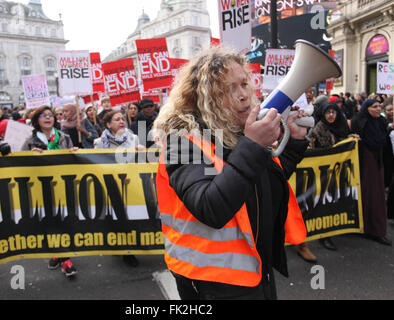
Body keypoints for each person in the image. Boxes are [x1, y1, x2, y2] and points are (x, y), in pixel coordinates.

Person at [153, 46, 309, 300]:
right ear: (203, 98)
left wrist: (292, 146)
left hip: (255, 269)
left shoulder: (237, 132)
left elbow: (262, 183)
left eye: (244, 84)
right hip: (210, 281)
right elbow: (211, 207)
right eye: (228, 89)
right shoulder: (181, 142)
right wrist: (253, 146)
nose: (243, 96)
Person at [21, 105, 78, 277]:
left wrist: (74, 152)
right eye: (43, 115)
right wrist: (29, 156)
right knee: (49, 220)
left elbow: (73, 161)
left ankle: (65, 258)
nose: (48, 118)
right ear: (36, 121)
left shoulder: (65, 138)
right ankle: (57, 251)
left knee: (64, 219)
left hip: (62, 186)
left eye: (50, 115)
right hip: (41, 188)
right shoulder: (29, 141)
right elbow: (20, 165)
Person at [93, 110, 142, 267]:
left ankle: (129, 252)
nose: (121, 121)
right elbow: (94, 164)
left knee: (130, 218)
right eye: (116, 119)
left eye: (122, 119)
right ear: (108, 124)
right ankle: (117, 244)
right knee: (115, 217)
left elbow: (141, 164)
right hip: (110, 185)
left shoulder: (134, 139)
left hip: (130, 185)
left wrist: (141, 152)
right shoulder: (99, 143)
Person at [310, 103, 356, 251]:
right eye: (328, 112)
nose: (331, 115)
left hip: (338, 170)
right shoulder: (319, 128)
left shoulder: (340, 125)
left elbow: (340, 139)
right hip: (323, 172)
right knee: (325, 201)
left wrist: (349, 138)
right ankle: (324, 236)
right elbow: (328, 148)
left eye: (333, 112)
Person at [351, 99, 391, 246]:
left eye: (379, 106)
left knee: (376, 196)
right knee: (366, 195)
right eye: (374, 107)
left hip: (377, 162)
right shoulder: (359, 121)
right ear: (366, 108)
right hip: (364, 164)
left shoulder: (381, 122)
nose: (378, 109)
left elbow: (384, 143)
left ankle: (376, 230)